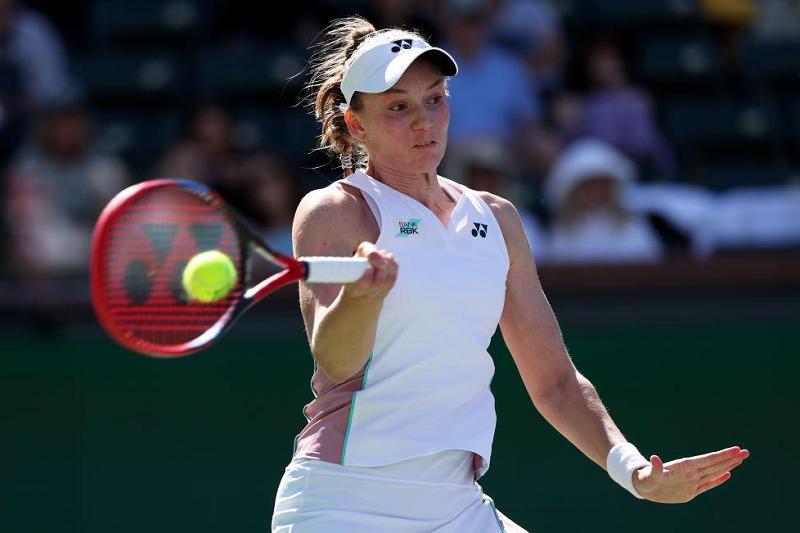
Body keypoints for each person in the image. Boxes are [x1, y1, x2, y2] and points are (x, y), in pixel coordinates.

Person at [272, 16, 749, 532]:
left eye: (434, 99)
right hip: (344, 502)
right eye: (398, 107)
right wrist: (362, 298)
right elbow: (336, 361)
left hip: (458, 504)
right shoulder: (334, 211)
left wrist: (634, 471)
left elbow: (556, 383)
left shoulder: (497, 218)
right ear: (357, 124)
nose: (424, 122)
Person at [543, 138, 665, 264]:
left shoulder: (632, 226)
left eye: (599, 185)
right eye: (587, 187)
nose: (594, 192)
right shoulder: (563, 232)